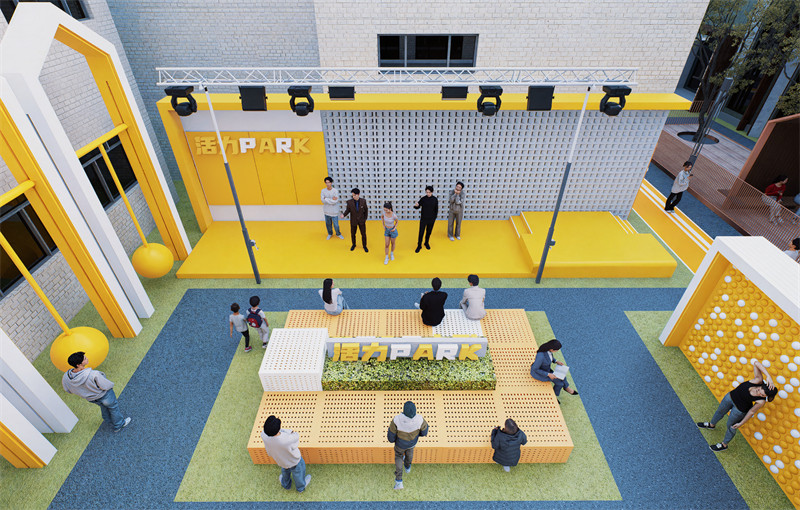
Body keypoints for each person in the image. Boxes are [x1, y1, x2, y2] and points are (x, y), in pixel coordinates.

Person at [697, 360, 777, 452]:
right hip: (730, 397)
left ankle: (724, 445)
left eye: (762, 395)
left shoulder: (761, 401)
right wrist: (768, 376)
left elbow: (751, 412)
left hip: (739, 410)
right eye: (759, 391)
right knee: (719, 412)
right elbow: (756, 363)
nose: (759, 394)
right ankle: (711, 425)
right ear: (761, 386)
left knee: (731, 426)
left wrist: (741, 423)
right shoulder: (758, 380)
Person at [61, 351, 131, 432]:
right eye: (85, 359)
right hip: (105, 395)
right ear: (78, 365)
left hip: (92, 399)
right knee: (113, 408)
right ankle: (119, 425)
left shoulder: (66, 377)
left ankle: (108, 420)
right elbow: (106, 385)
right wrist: (111, 386)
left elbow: (67, 389)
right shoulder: (93, 374)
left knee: (103, 406)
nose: (87, 358)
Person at [261, 415, 311, 493]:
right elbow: (296, 436)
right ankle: (300, 488)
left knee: (285, 471)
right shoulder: (286, 439)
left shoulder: (263, 435)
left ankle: (286, 485)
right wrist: (289, 431)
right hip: (294, 461)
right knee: (298, 473)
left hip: (281, 460)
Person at [387, 400, 428, 490]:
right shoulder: (420, 419)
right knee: (410, 453)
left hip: (400, 444)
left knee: (398, 457)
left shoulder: (397, 419)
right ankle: (407, 467)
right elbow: (424, 432)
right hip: (412, 443)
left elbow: (391, 437)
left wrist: (393, 440)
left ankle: (399, 481)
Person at [341, 187, 368, 252]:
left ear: (358, 194)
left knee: (363, 234)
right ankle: (353, 244)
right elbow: (347, 210)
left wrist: (365, 219)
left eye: (355, 195)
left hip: (361, 221)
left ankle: (364, 246)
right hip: (353, 221)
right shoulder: (349, 202)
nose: (353, 197)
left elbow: (366, 210)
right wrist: (344, 215)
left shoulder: (363, 201)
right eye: (352, 195)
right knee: (353, 234)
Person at [413, 185, 438, 253]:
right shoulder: (423, 199)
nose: (428, 193)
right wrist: (416, 206)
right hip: (423, 219)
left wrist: (434, 218)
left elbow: (436, 210)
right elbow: (418, 206)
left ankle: (426, 243)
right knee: (421, 232)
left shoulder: (435, 199)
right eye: (427, 192)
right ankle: (419, 245)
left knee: (428, 232)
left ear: (432, 192)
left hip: (431, 219)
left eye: (429, 192)